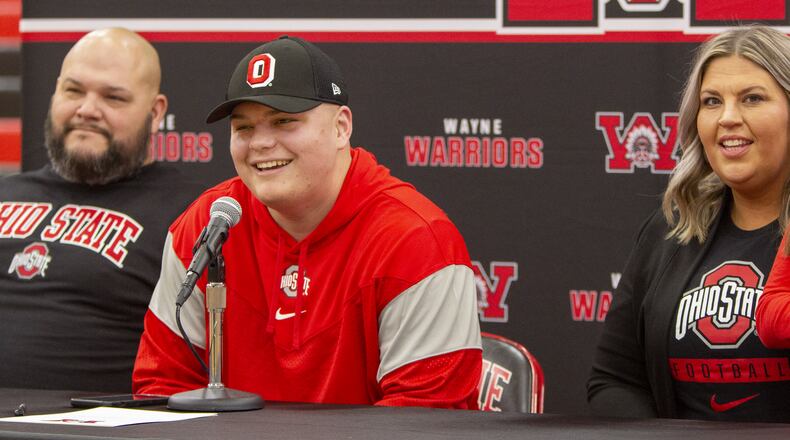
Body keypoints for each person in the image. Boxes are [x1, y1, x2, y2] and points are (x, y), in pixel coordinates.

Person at [132, 36, 482, 408]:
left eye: (284, 121)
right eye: (244, 128)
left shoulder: (415, 238)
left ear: (341, 127)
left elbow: (425, 419)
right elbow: (162, 386)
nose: (260, 143)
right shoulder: (206, 224)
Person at [587, 25, 790, 422]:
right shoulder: (670, 229)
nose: (728, 118)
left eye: (752, 98)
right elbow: (614, 381)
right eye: (712, 101)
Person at [0, 28, 206, 392]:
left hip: (93, 428)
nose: (86, 110)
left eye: (113, 98)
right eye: (73, 91)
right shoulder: (6, 192)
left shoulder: (193, 214)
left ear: (156, 112)